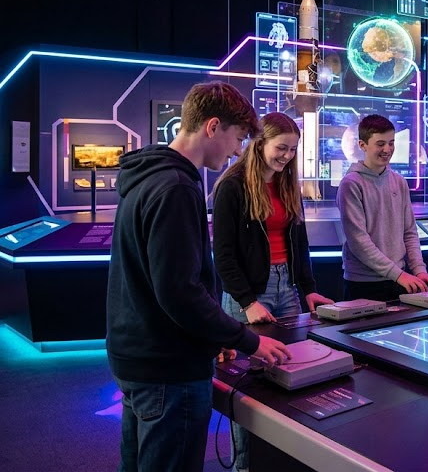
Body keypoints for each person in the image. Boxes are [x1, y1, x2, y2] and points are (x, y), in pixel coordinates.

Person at [106, 82, 291, 472]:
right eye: (237, 137)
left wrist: (211, 335)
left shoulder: (147, 176)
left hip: (137, 355)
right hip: (168, 367)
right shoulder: (176, 187)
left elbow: (159, 282)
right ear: (212, 127)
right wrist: (246, 340)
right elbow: (179, 292)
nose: (238, 150)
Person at [213, 112, 334, 471]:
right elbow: (224, 255)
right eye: (282, 148)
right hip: (249, 295)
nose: (287, 156)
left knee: (291, 375)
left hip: (287, 290)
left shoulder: (286, 183)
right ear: (259, 143)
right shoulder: (232, 187)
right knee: (248, 390)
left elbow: (300, 242)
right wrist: (247, 301)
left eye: (293, 150)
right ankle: (244, 466)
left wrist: (309, 289)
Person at [338, 115, 428, 301]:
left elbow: (409, 232)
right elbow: (359, 241)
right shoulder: (351, 183)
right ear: (362, 145)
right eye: (380, 144)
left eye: (391, 143)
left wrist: (419, 270)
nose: (387, 149)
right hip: (363, 284)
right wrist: (399, 274)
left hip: (399, 280)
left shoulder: (399, 182)